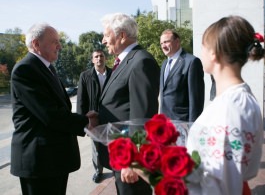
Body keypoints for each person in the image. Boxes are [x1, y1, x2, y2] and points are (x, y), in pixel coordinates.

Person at [10, 23, 94, 195]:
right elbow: (49, 115)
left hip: (52, 160)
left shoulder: (46, 68)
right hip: (39, 162)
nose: (60, 46)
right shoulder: (25, 69)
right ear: (36, 44)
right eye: (54, 41)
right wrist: (87, 121)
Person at [186, 15, 264, 194]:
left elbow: (222, 184)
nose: (201, 53)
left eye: (203, 47)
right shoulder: (235, 100)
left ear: (213, 52)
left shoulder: (232, 107)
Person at [94, 13, 160, 195]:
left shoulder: (141, 61)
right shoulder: (124, 62)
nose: (103, 41)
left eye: (107, 35)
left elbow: (143, 117)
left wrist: (133, 162)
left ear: (121, 35)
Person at [76, 49, 112, 183]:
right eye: (96, 57)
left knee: (112, 143)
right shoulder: (85, 76)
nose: (99, 59)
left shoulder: (113, 73)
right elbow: (81, 100)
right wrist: (82, 122)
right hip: (94, 118)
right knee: (96, 146)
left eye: (101, 56)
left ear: (105, 58)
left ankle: (114, 167)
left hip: (110, 116)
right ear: (92, 60)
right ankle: (98, 170)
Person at [159, 29, 205, 122]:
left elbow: (196, 99)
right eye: (161, 43)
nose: (163, 46)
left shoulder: (191, 62)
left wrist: (192, 125)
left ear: (177, 42)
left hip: (182, 122)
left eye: (166, 42)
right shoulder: (164, 64)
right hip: (165, 122)